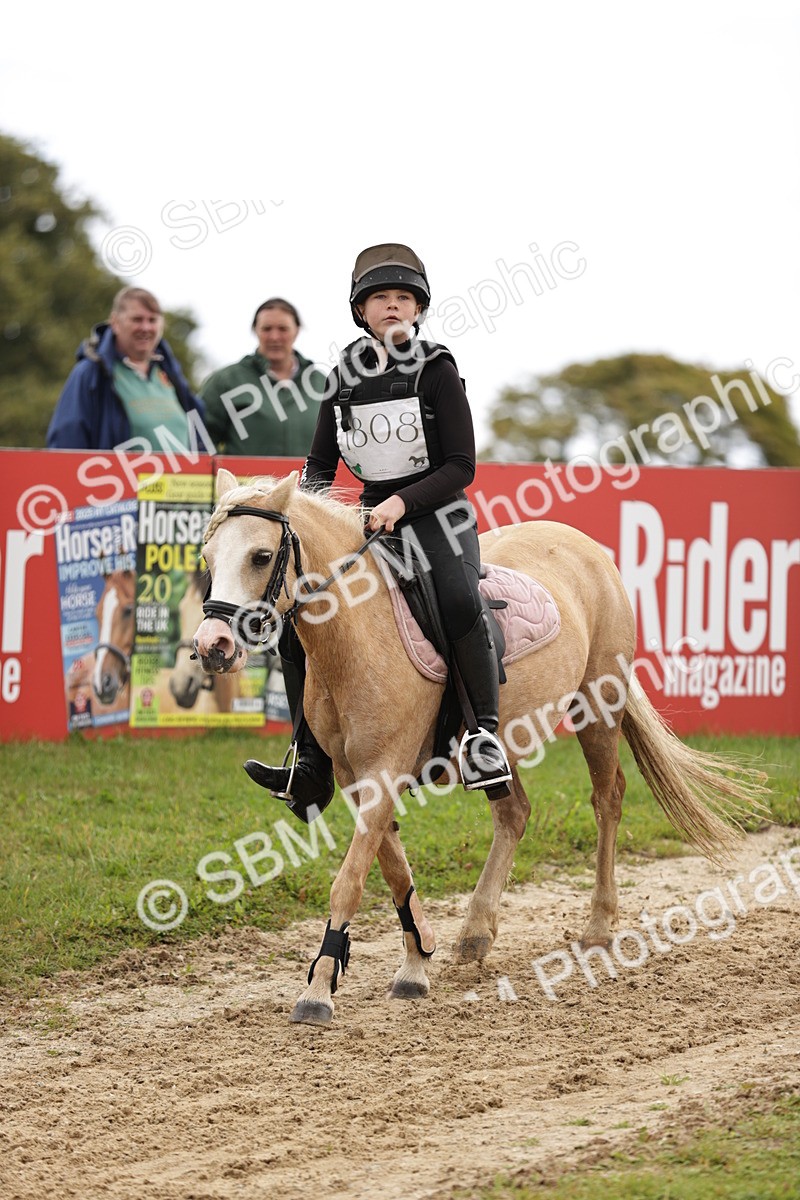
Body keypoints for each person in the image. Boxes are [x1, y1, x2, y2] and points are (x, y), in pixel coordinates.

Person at [244, 243, 512, 820]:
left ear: (418, 309)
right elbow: (318, 467)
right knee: (300, 616)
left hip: (438, 514)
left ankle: (483, 737)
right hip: (367, 519)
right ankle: (308, 760)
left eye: (404, 298)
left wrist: (399, 501)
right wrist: (306, 512)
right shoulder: (340, 377)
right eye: (380, 298)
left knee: (460, 599)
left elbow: (462, 467)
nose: (393, 306)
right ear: (361, 312)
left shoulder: (438, 368)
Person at [47, 287, 204, 450]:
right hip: (116, 475)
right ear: (115, 322)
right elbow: (67, 441)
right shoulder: (91, 374)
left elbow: (200, 436)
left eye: (152, 320)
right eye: (137, 319)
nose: (145, 328)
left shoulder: (172, 374)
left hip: (180, 476)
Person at [199, 298, 326, 455]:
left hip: (309, 480)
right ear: (255, 331)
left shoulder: (322, 383)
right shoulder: (226, 381)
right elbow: (199, 442)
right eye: (266, 329)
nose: (274, 337)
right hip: (244, 479)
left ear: (297, 331)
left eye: (283, 329)